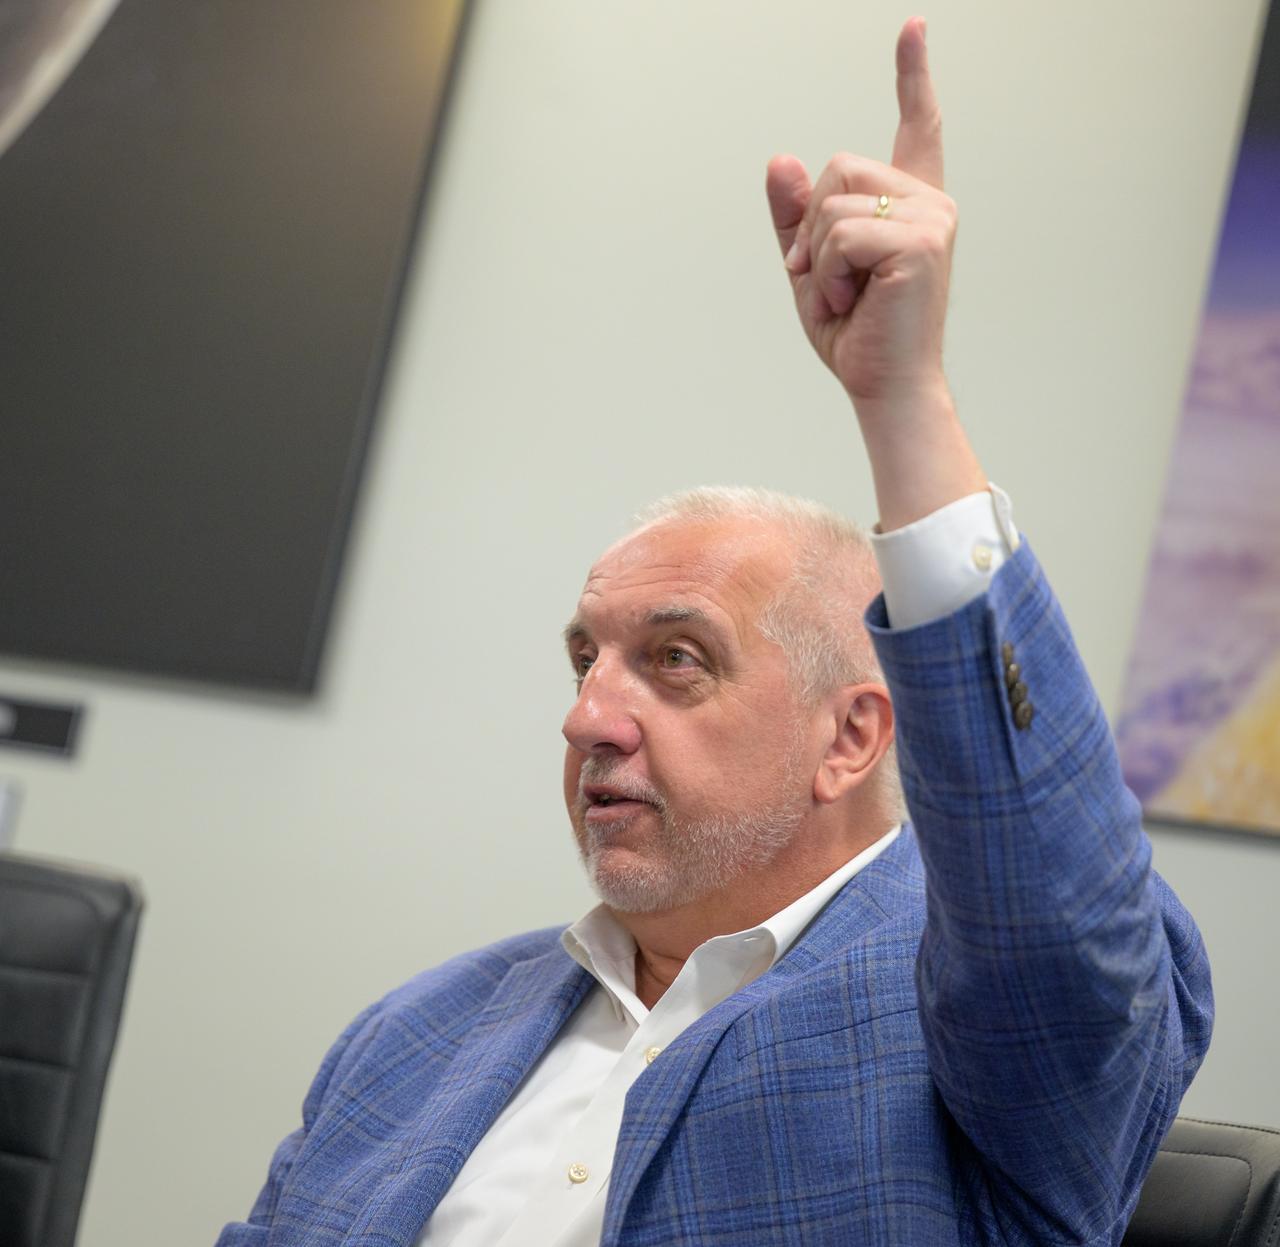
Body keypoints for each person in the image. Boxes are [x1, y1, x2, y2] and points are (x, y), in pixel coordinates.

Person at [216, 18, 1212, 1246]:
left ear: (848, 738)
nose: (588, 715)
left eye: (676, 659)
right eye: (587, 657)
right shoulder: (413, 1034)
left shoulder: (985, 1043)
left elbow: (1051, 905)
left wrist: (904, 403)